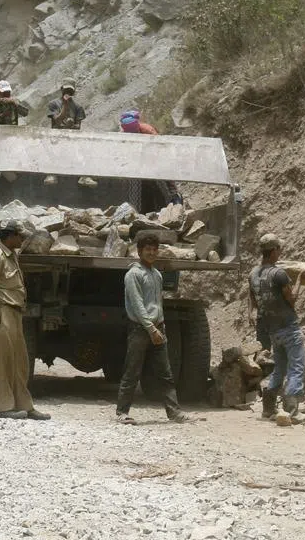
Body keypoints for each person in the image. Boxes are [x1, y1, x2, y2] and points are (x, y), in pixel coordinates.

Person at [0, 221, 50, 421]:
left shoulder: (12, 256)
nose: (23, 239)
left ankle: (25, 406)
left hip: (15, 313)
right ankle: (3, 407)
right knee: (4, 362)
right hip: (1, 312)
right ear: (9, 236)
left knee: (20, 362)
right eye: (20, 235)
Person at [116, 233, 192, 424]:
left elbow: (157, 304)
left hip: (158, 329)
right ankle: (122, 413)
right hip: (140, 330)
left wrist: (160, 326)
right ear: (139, 251)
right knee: (132, 371)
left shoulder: (157, 274)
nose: (151, 253)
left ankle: (174, 412)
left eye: (154, 249)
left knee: (165, 373)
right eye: (147, 249)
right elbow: (137, 305)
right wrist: (151, 328)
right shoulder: (133, 274)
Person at [249, 234, 305, 419]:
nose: (280, 253)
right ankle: (290, 408)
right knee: (297, 366)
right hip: (288, 326)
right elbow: (292, 299)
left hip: (272, 329)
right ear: (273, 251)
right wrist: (299, 281)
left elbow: (254, 301)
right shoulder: (279, 274)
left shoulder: (253, 274)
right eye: (279, 249)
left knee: (280, 367)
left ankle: (268, 405)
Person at [119, 110, 182, 204]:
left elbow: (160, 146)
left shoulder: (148, 130)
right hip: (138, 158)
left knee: (165, 174)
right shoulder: (124, 133)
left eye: (134, 131)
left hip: (155, 155)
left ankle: (175, 196)